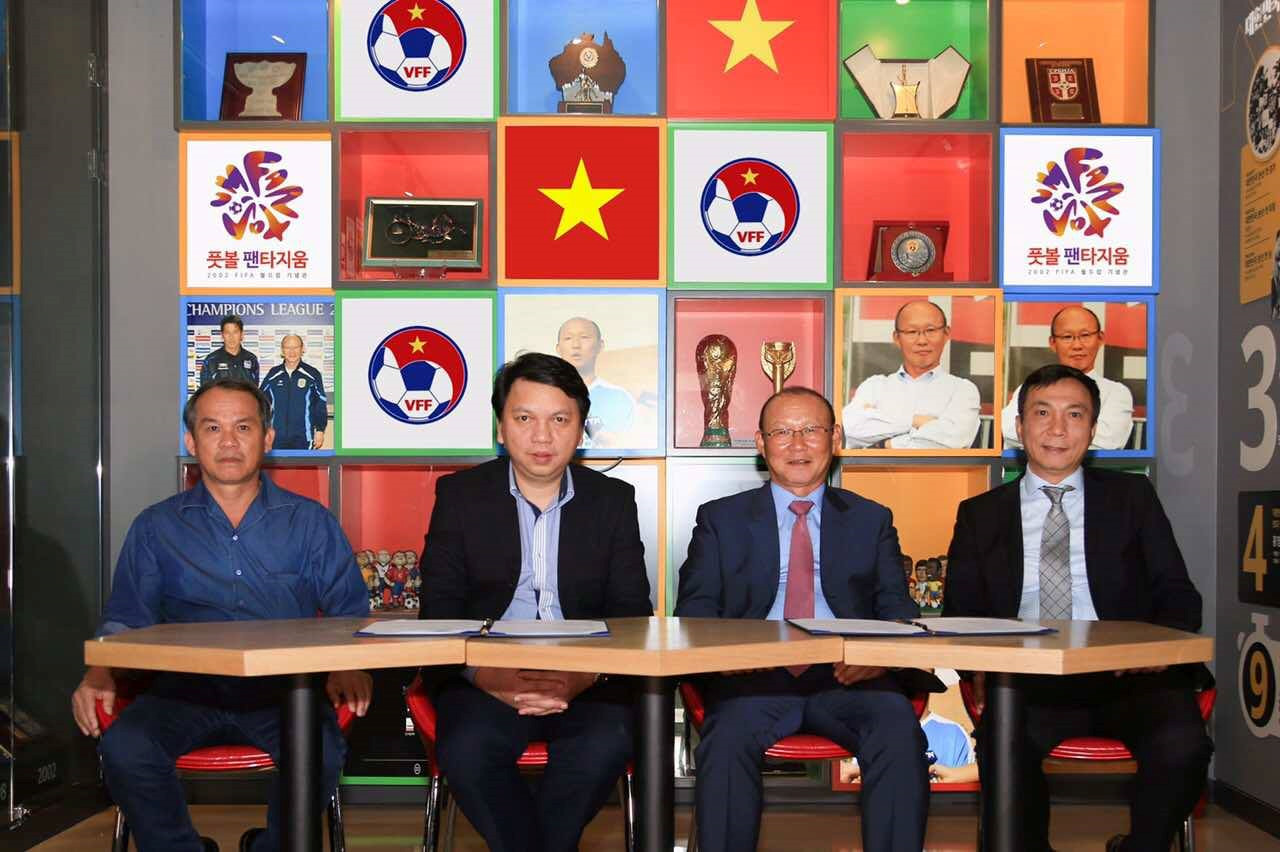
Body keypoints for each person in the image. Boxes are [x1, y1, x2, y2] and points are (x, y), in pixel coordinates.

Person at [69, 378, 372, 852]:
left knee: (321, 750)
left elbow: (349, 612)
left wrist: (349, 664)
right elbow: (127, 618)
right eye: (213, 428)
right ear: (192, 442)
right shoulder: (156, 527)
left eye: (243, 427)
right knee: (125, 748)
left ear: (267, 439)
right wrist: (99, 671)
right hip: (182, 692)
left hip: (285, 694)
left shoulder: (310, 522)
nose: (229, 441)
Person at [944, 364, 1213, 852]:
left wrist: (1156, 647)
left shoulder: (1132, 497)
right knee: (1004, 750)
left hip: (1131, 676)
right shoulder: (981, 514)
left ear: (1092, 429)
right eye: (1041, 413)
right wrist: (979, 666)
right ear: (1019, 426)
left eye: (1074, 415)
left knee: (1184, 747)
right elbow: (959, 613)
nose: (1057, 429)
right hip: (1027, 682)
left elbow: (1178, 593)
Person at [675, 386, 930, 852]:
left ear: (836, 438)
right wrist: (731, 657)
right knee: (725, 740)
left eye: (811, 429)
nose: (797, 444)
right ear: (760, 443)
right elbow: (694, 611)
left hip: (850, 674)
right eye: (782, 432)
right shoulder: (720, 519)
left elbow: (898, 610)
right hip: (754, 676)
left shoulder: (871, 519)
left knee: (898, 731)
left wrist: (877, 657)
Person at [418, 352, 651, 852]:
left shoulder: (612, 500)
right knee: (467, 750)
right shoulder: (460, 496)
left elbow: (632, 615)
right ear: (501, 428)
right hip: (484, 674)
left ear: (581, 430)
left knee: (604, 744)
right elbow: (439, 611)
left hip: (588, 677)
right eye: (524, 418)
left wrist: (583, 677)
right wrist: (490, 677)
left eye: (560, 420)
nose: (542, 436)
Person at [842, 300, 981, 449]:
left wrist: (884, 444)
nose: (922, 340)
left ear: (946, 334)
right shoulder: (874, 386)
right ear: (897, 338)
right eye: (912, 332)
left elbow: (954, 440)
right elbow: (851, 429)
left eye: (930, 330)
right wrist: (915, 421)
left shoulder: (963, 390)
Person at [1002, 305, 1135, 450]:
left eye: (1085, 335)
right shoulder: (1030, 388)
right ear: (1053, 343)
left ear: (1100, 338)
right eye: (1067, 337)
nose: (1077, 345)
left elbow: (1109, 441)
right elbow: (1009, 429)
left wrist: (1040, 431)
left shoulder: (1116, 393)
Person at [553, 316, 636, 448]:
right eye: (568, 338)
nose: (576, 345)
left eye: (584, 337)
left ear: (600, 346)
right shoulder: (545, 396)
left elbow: (628, 447)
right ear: (558, 349)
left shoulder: (620, 398)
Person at [260, 333, 328, 450]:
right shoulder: (273, 374)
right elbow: (260, 403)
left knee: (303, 463)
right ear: (282, 350)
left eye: (296, 347)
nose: (292, 351)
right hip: (276, 438)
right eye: (287, 347)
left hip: (304, 438)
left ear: (302, 349)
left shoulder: (312, 374)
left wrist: (320, 430)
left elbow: (320, 404)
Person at [198, 313, 260, 387]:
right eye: (227, 333)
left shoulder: (252, 359)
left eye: (235, 332)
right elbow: (205, 390)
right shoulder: (211, 360)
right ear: (222, 335)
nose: (231, 337)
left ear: (242, 334)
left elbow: (254, 390)